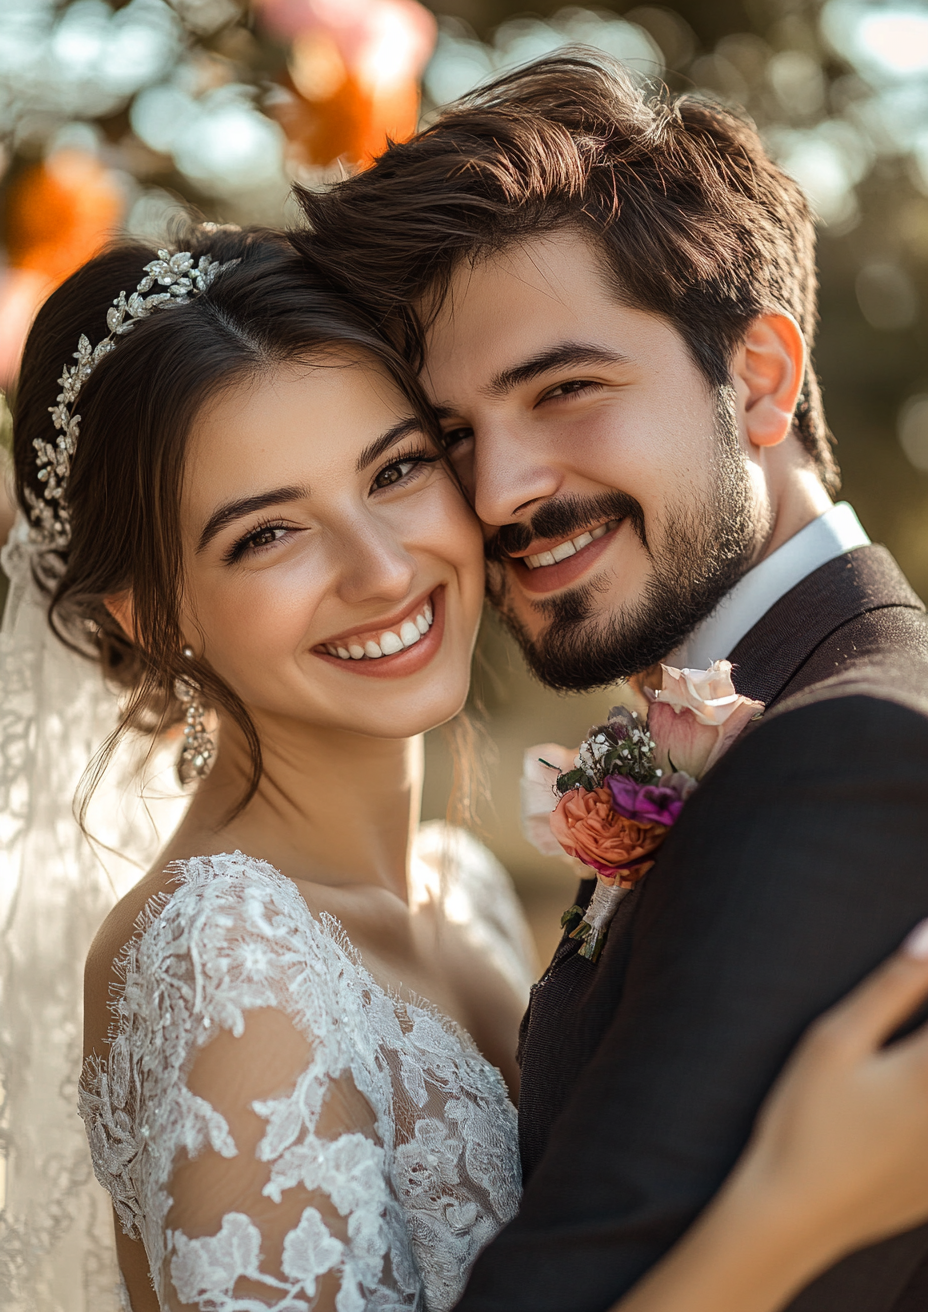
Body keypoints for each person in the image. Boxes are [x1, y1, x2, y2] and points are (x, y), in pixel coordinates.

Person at [2, 227, 928, 1312]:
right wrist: (794, 1209)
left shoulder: (464, 893)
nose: (382, 568)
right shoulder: (223, 956)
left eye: (396, 470)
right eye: (265, 535)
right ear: (153, 615)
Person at [296, 53, 928, 1311]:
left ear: (757, 377)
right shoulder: (788, 713)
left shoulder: (851, 757)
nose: (498, 492)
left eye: (565, 389)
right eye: (455, 437)